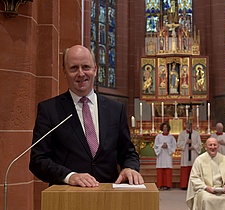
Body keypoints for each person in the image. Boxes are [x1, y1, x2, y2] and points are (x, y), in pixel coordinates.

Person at [29, 45, 144, 187]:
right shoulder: (49, 109)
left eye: (86, 67)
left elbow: (128, 152)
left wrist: (130, 168)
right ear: (64, 71)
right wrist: (69, 176)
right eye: (73, 68)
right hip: (66, 197)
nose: (81, 73)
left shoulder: (115, 109)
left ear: (95, 69)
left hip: (108, 197)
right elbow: (38, 160)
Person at [177, 122, 202, 189]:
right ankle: (184, 185)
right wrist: (186, 142)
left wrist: (194, 147)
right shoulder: (182, 134)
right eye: (187, 125)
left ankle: (193, 185)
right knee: (185, 168)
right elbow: (179, 143)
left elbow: (199, 144)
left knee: (193, 168)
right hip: (185, 153)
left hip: (193, 153)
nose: (188, 126)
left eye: (190, 125)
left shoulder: (196, 134)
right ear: (185, 125)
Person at [154, 122, 177, 190]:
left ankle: (167, 185)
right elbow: (156, 145)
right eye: (164, 127)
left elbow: (174, 145)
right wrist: (161, 146)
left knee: (167, 169)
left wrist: (168, 146)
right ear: (162, 128)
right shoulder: (158, 136)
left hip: (167, 154)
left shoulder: (171, 137)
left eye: (166, 127)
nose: (165, 129)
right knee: (160, 169)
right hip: (161, 154)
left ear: (168, 128)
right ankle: (160, 185)